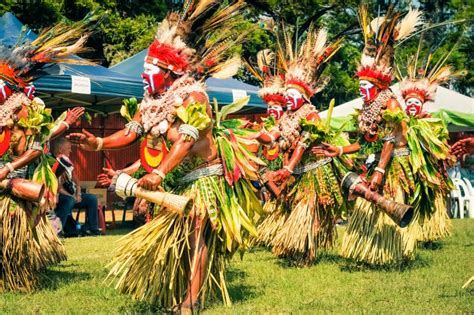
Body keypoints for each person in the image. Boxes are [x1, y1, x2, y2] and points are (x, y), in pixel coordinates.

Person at [68, 1, 261, 311]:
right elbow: (132, 132)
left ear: (169, 70)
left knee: (197, 235)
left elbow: (186, 140)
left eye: (150, 70)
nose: (144, 76)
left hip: (206, 180)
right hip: (180, 180)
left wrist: (158, 173)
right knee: (177, 239)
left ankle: (191, 301)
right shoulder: (151, 102)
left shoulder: (193, 95)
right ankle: (179, 292)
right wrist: (99, 144)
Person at [313, 6, 424, 265]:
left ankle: (395, 255)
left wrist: (380, 171)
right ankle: (368, 254)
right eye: (360, 86)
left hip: (394, 163)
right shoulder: (367, 107)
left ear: (377, 84)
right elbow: (365, 143)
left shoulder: (391, 104)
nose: (361, 91)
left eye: (365, 86)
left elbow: (389, 140)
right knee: (367, 206)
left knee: (390, 203)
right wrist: (339, 150)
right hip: (376, 161)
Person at [0, 15, 96, 290]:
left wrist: (7, 170)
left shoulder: (25, 109)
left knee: (16, 238)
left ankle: (20, 276)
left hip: (15, 181)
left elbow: (37, 146)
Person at [253, 25, 349, 266]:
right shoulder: (287, 116)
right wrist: (257, 136)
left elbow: (303, 144)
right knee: (298, 207)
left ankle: (309, 253)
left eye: (291, 94)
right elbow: (275, 136)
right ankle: (300, 250)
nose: (287, 98)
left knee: (309, 209)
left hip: (315, 169)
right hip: (297, 171)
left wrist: (288, 168)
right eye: (286, 94)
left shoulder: (311, 115)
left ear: (305, 96)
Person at [396, 40, 462, 243]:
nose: (413, 107)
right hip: (404, 168)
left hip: (426, 171)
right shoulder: (400, 122)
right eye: (409, 103)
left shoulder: (431, 123)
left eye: (416, 103)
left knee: (426, 199)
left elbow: (441, 148)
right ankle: (408, 231)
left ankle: (426, 233)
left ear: (422, 104)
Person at [53, 137, 100, 236]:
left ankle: (92, 228)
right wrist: (72, 197)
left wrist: (78, 193)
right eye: (68, 148)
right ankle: (58, 230)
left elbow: (76, 180)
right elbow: (59, 188)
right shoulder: (55, 163)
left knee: (92, 198)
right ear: (60, 150)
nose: (71, 150)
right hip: (61, 196)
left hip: (73, 195)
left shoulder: (68, 163)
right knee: (69, 200)